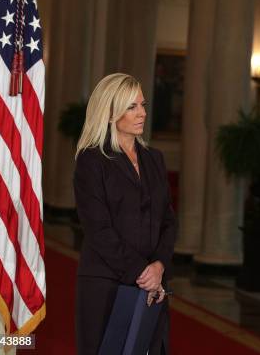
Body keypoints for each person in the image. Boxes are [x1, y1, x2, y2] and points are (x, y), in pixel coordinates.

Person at [73, 73, 176, 354]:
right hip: (105, 284)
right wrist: (141, 271)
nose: (142, 113)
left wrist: (159, 267)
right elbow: (98, 229)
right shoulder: (91, 161)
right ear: (110, 112)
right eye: (132, 107)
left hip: (154, 285)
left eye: (142, 105)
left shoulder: (154, 159)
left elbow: (168, 221)